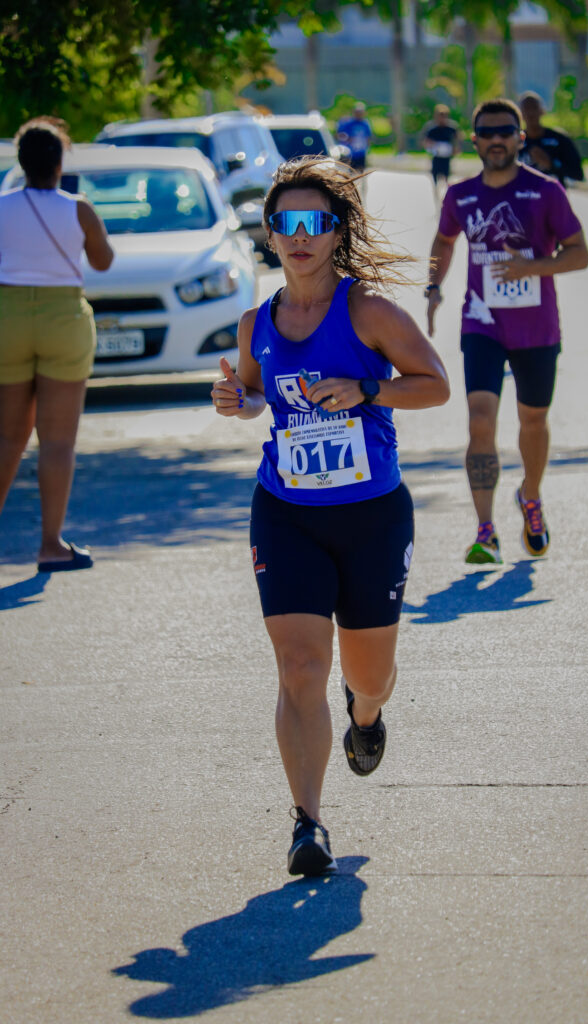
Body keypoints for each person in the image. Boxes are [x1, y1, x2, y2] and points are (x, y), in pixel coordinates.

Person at [212, 158, 449, 875]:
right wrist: (239, 403)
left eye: (315, 222)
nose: (300, 235)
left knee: (368, 676)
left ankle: (366, 713)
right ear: (269, 232)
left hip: (371, 515)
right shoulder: (257, 323)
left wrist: (367, 389)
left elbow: (434, 384)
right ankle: (307, 823)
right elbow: (257, 394)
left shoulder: (368, 311)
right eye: (285, 222)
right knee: (299, 667)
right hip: (286, 513)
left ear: (337, 231)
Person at [426, 98, 588, 564]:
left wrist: (531, 267)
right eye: (487, 132)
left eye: (505, 132)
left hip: (537, 328)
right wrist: (433, 286)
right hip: (482, 323)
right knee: (480, 420)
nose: (496, 140)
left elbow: (579, 253)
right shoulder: (460, 195)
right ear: (474, 140)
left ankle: (530, 496)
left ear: (520, 138)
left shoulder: (545, 191)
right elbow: (444, 240)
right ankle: (486, 531)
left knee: (532, 420)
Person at [0, 118, 114, 571]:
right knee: (58, 441)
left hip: (8, 316)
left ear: (21, 162)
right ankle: (51, 545)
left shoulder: (2, 206)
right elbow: (103, 262)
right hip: (63, 317)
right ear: (60, 163)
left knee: (7, 437)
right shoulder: (78, 209)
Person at [518, 91, 584, 187]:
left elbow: (578, 175)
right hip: (523, 194)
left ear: (542, 111)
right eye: (526, 108)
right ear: (520, 114)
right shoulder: (515, 141)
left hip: (554, 194)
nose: (531, 113)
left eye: (534, 108)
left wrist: (551, 164)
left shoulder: (560, 139)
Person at [420, 104, 459, 199]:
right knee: (435, 175)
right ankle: (435, 193)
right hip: (437, 156)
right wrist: (432, 145)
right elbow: (425, 141)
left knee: (446, 176)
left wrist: (455, 148)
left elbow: (457, 139)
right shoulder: (432, 129)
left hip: (446, 156)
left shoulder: (451, 128)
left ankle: (446, 195)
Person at [336, 103, 373, 172]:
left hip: (361, 152)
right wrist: (348, 139)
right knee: (352, 171)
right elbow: (341, 135)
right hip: (351, 153)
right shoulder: (349, 124)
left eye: (360, 112)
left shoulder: (365, 124)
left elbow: (368, 137)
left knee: (361, 171)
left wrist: (367, 147)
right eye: (357, 112)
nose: (359, 114)